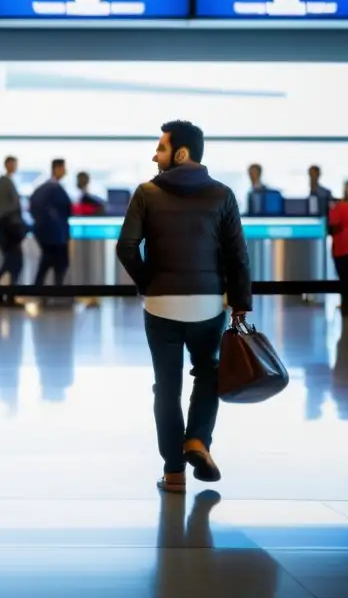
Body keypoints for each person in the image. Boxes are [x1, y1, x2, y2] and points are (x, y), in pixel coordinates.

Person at [116, 120, 251, 495]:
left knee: (166, 388)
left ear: (180, 153)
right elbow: (238, 255)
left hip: (160, 306)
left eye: (160, 148)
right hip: (209, 305)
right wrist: (240, 303)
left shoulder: (146, 192)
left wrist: (149, 283)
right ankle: (197, 441)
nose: (154, 155)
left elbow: (126, 248)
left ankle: (173, 473)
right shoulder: (222, 194)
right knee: (207, 372)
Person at [0, 156, 26, 304]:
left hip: (5, 230)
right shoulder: (5, 183)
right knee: (14, 263)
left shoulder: (1, 183)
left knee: (10, 263)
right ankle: (3, 293)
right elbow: (11, 208)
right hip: (9, 231)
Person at [29, 159, 73, 289]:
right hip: (54, 235)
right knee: (56, 262)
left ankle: (43, 289)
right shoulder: (52, 189)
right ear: (57, 168)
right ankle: (52, 290)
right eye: (63, 168)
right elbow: (64, 210)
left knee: (49, 261)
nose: (65, 171)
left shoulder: (45, 188)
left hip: (50, 234)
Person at [328, 180, 348, 316]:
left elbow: (332, 227)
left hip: (342, 249)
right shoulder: (340, 207)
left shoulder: (339, 207)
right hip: (342, 249)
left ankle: (347, 305)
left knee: (345, 279)